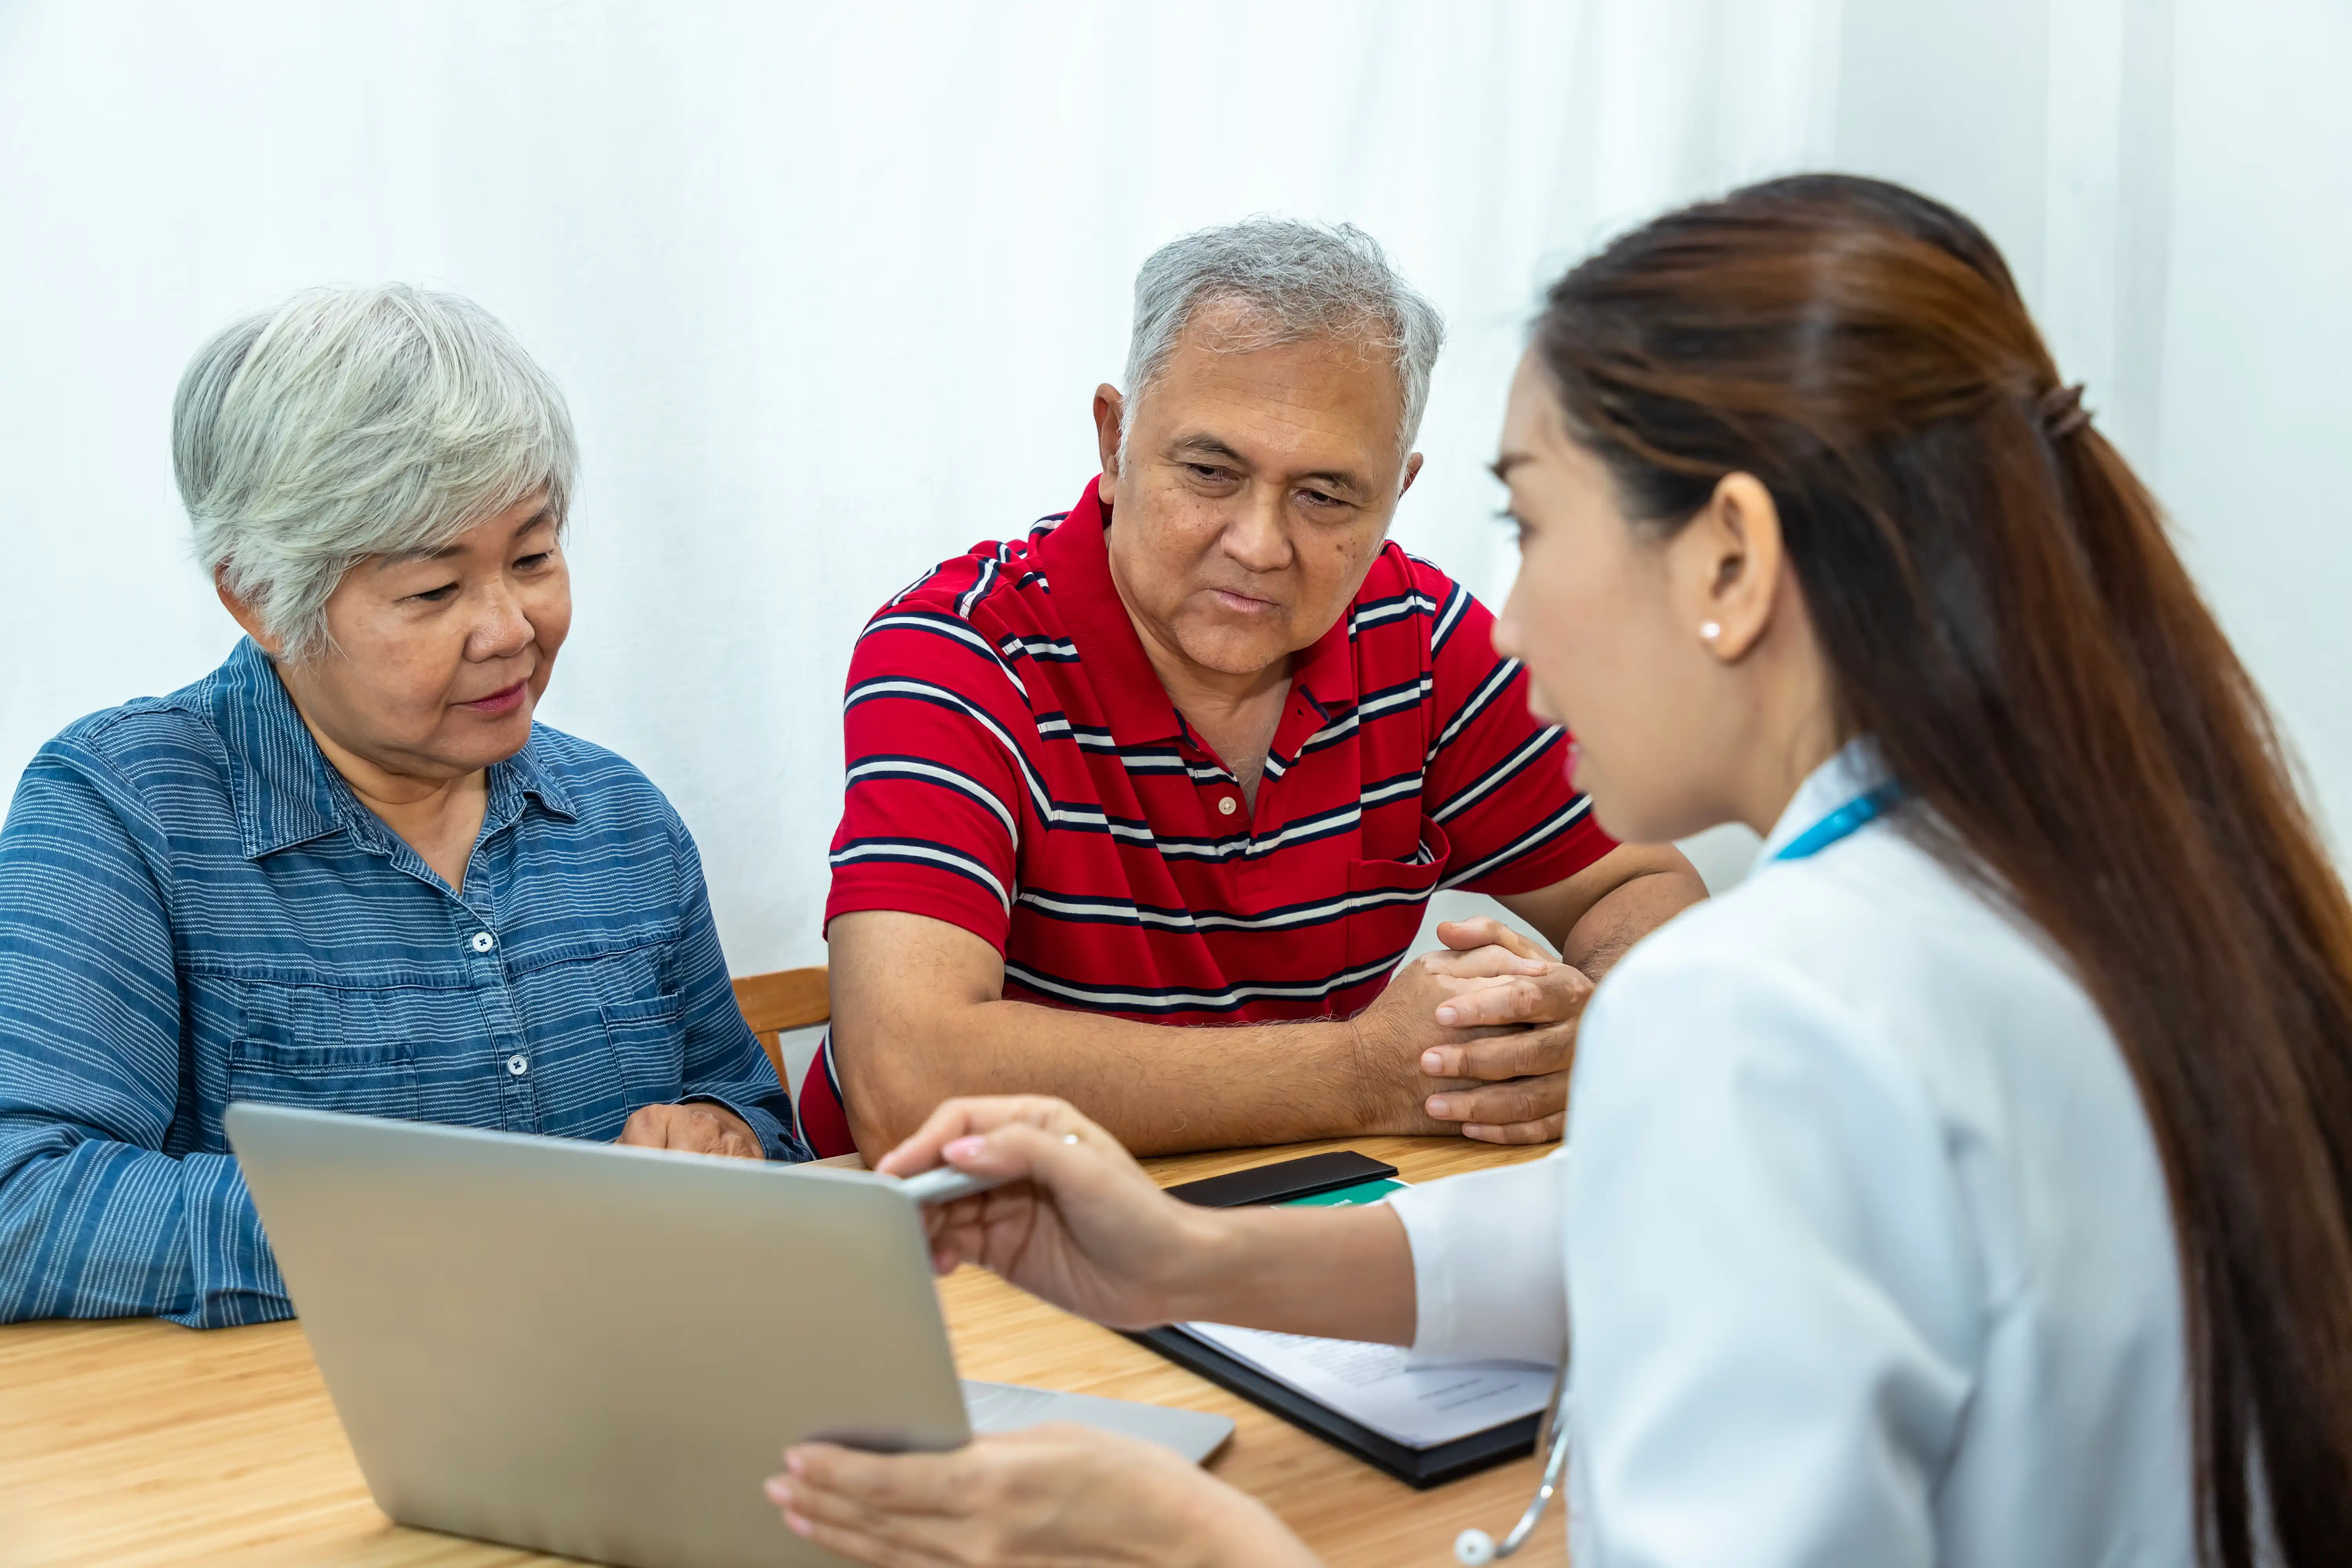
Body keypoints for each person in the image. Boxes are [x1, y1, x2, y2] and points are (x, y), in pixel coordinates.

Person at [762, 176, 2352, 1566]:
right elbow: (1669, 1216)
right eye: (1211, 473)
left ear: (1726, 560)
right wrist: (1196, 1254)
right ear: (1117, 442)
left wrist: (1188, 1541)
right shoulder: (2063, 876)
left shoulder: (1756, 1002)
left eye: (1526, 524)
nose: (1501, 621)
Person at [0, 285, 808, 1329]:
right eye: (434, 592)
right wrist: (458, 1222)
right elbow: (24, 1202)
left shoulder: (618, 820)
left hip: (633, 1406)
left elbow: (749, 1111)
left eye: (533, 558)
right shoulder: (123, 812)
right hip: (284, 1452)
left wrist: (721, 1136)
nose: (511, 628)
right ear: (257, 598)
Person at [815, 218, 1704, 1158]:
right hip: (958, 1247)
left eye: (1325, 496)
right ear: (1114, 443)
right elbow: (906, 1078)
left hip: (1287, 1222)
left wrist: (1582, 1028)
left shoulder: (1423, 635)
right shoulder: (958, 651)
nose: (1259, 544)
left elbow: (1647, 885)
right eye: (1210, 471)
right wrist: (1366, 1071)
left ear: (1397, 494)